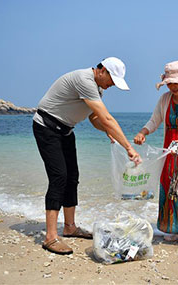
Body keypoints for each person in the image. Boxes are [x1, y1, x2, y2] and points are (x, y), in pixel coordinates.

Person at [33, 57, 141, 255]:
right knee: (59, 177)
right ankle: (50, 238)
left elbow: (95, 118)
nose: (111, 86)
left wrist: (107, 132)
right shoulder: (84, 80)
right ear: (102, 70)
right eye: (112, 81)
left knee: (72, 177)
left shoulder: (97, 88)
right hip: (46, 127)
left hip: (65, 130)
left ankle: (70, 227)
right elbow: (107, 117)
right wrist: (128, 147)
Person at [134, 60, 178, 248]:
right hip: (170, 150)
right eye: (170, 83)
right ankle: (175, 230)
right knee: (171, 188)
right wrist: (143, 132)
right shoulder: (165, 99)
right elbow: (155, 120)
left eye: (176, 83)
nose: (172, 87)